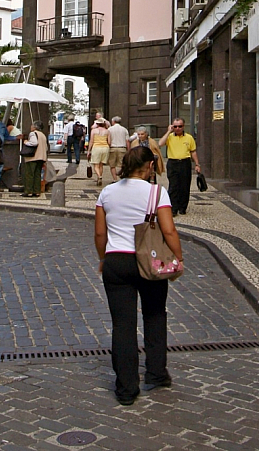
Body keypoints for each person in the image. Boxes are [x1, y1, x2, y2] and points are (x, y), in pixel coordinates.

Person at [94, 145, 183, 406]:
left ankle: (126, 388)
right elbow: (169, 231)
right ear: (149, 166)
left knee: (123, 325)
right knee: (155, 315)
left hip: (116, 261)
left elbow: (100, 233)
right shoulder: (157, 192)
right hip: (150, 261)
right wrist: (179, 257)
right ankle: (156, 373)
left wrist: (103, 258)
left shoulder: (107, 192)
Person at [159, 118, 201, 216]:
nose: (177, 128)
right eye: (175, 126)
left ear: (183, 126)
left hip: (185, 163)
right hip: (173, 163)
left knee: (184, 186)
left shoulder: (189, 137)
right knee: (173, 186)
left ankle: (182, 207)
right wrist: (169, 131)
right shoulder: (169, 137)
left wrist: (197, 164)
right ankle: (173, 208)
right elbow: (160, 143)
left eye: (180, 126)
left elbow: (193, 151)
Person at [19, 120, 48, 197]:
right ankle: (37, 191)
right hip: (41, 157)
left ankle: (29, 191)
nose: (31, 127)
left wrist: (25, 142)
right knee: (37, 174)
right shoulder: (43, 135)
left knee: (30, 174)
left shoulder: (33, 133)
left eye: (32, 125)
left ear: (35, 127)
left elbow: (34, 143)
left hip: (33, 157)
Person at [87, 117, 110, 186]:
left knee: (96, 165)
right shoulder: (107, 131)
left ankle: (99, 176)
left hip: (96, 148)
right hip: (105, 148)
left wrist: (89, 150)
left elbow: (91, 141)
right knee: (101, 164)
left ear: (97, 124)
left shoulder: (93, 131)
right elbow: (109, 142)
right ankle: (98, 178)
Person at [108, 116, 130, 182]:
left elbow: (108, 140)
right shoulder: (124, 129)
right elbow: (127, 141)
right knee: (122, 164)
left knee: (112, 165)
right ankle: (122, 178)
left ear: (113, 122)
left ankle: (115, 179)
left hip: (112, 148)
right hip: (122, 148)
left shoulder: (110, 129)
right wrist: (129, 150)